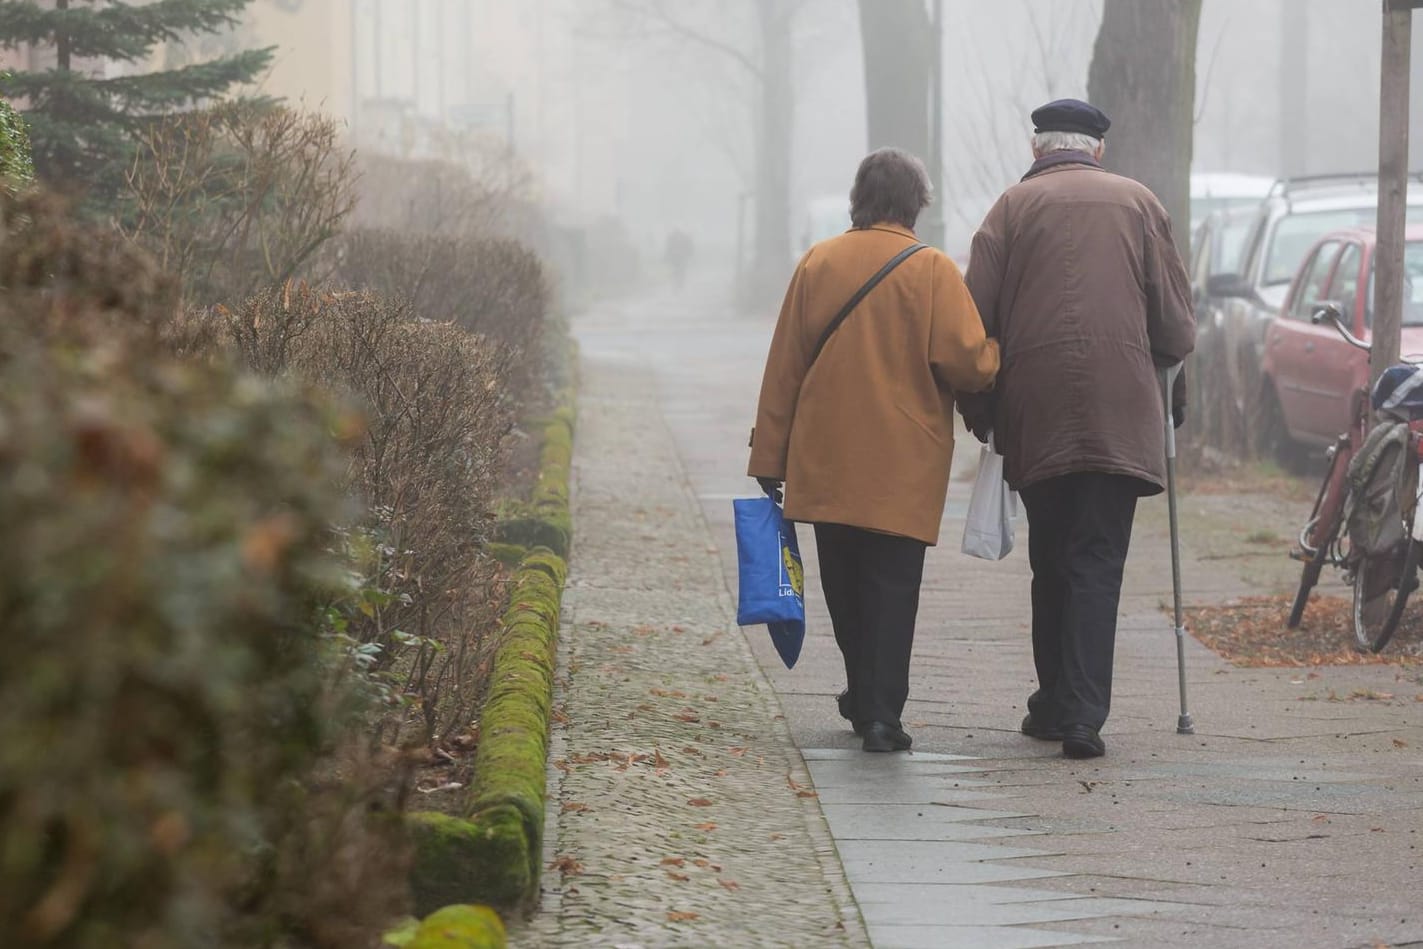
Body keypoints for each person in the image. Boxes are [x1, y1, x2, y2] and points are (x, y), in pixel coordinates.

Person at [959, 99, 1196, 759]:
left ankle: (1057, 699)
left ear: (1038, 150)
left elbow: (971, 321)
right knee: (1096, 560)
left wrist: (982, 413)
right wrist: (1174, 399)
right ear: (1096, 150)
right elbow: (1176, 326)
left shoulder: (1008, 210)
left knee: (1051, 558)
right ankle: (1081, 714)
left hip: (1036, 413)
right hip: (1122, 412)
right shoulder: (1139, 204)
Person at [747, 148, 1000, 753]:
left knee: (844, 583)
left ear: (858, 199)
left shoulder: (819, 262)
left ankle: (863, 693)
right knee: (893, 588)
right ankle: (881, 712)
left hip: (827, 457)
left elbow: (785, 368)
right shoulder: (933, 271)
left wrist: (768, 459)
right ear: (916, 204)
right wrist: (996, 354)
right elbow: (966, 363)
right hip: (904, 464)